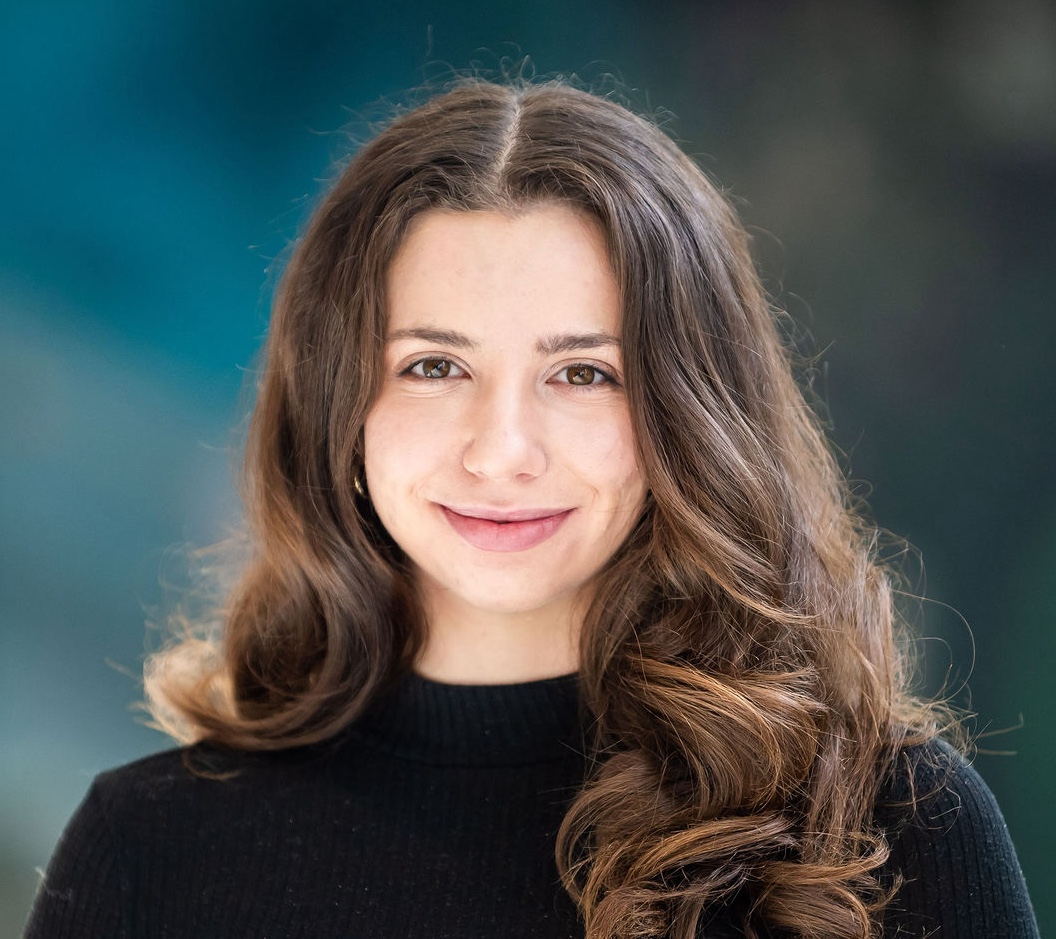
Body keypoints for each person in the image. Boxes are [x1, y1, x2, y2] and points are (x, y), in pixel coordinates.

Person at [24, 79, 1038, 939]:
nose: (502, 449)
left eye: (584, 374)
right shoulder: (146, 854)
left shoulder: (888, 832)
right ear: (337, 407)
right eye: (433, 365)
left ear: (690, 411)